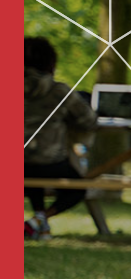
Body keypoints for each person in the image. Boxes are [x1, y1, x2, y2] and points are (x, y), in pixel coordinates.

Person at [23, 37, 97, 241]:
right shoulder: (59, 91)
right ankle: (38, 221)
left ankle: (38, 224)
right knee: (79, 188)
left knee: (29, 170)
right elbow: (88, 120)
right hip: (50, 163)